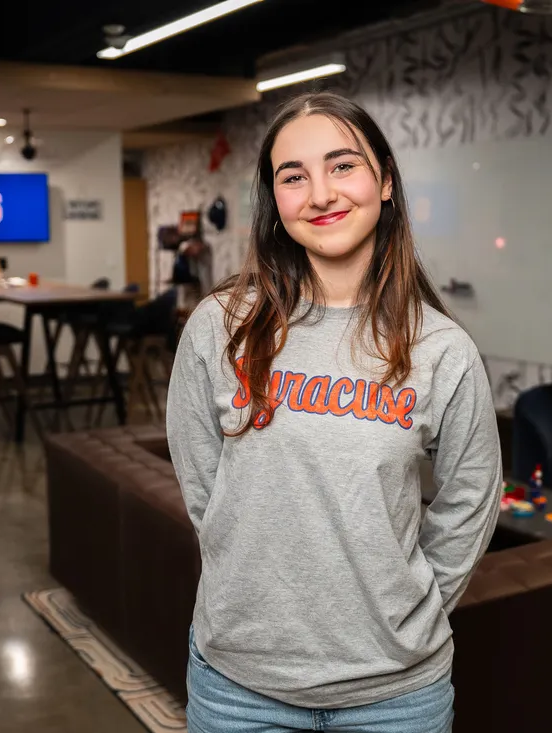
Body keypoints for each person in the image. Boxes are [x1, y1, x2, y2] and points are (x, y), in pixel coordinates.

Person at [166, 91, 502, 732]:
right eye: (293, 176)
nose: (320, 194)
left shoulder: (441, 349)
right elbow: (203, 486)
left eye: (342, 166)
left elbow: (472, 497)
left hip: (397, 695)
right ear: (276, 202)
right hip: (239, 685)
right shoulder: (220, 327)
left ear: (386, 183)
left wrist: (413, 611)